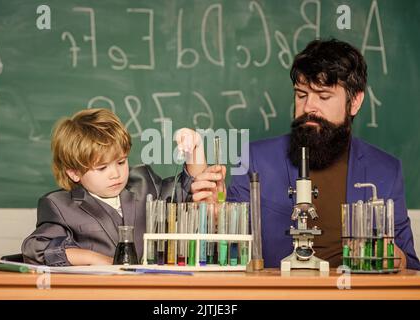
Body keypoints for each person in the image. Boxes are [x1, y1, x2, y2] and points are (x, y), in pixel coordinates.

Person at [227, 39, 420, 270]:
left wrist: (391, 255)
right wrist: (217, 214)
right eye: (301, 95)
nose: (309, 107)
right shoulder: (253, 159)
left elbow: (411, 268)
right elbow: (231, 251)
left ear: (355, 102)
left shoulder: (386, 171)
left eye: (324, 96)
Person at [22, 108, 221, 266]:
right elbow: (36, 249)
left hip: (153, 291)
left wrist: (194, 147)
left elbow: (190, 190)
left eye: (121, 162)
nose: (115, 174)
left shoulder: (144, 183)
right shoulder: (60, 205)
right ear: (74, 172)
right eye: (102, 168)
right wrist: (95, 259)